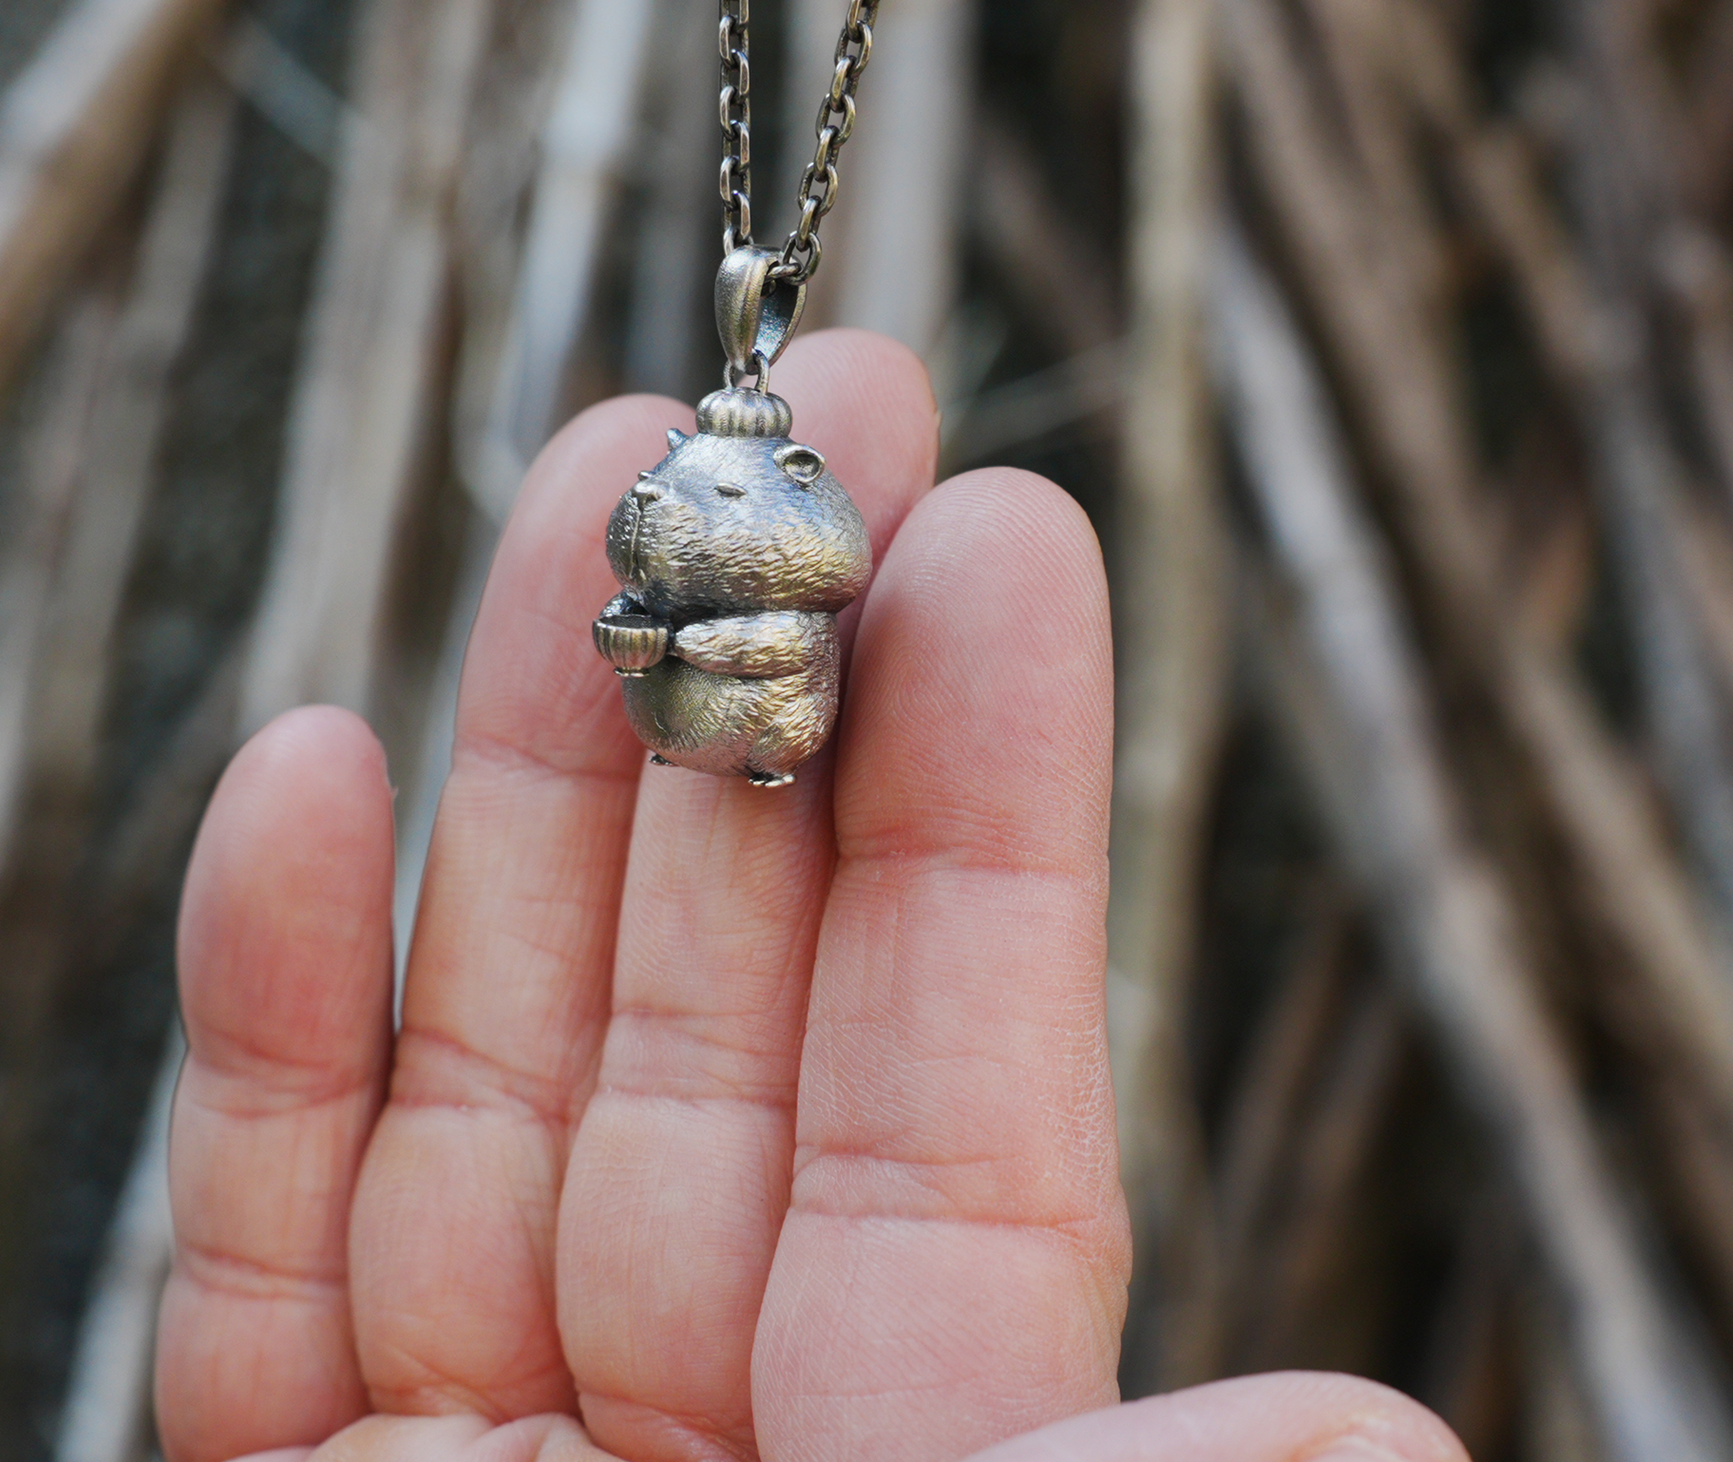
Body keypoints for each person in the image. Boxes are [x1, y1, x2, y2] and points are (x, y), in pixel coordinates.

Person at [154, 331, 1467, 1462]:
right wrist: (646, 640)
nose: (673, 505)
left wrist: (689, 642)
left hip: (766, 708)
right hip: (683, 721)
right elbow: (642, 624)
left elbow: (765, 638)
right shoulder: (672, 542)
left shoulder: (790, 582)